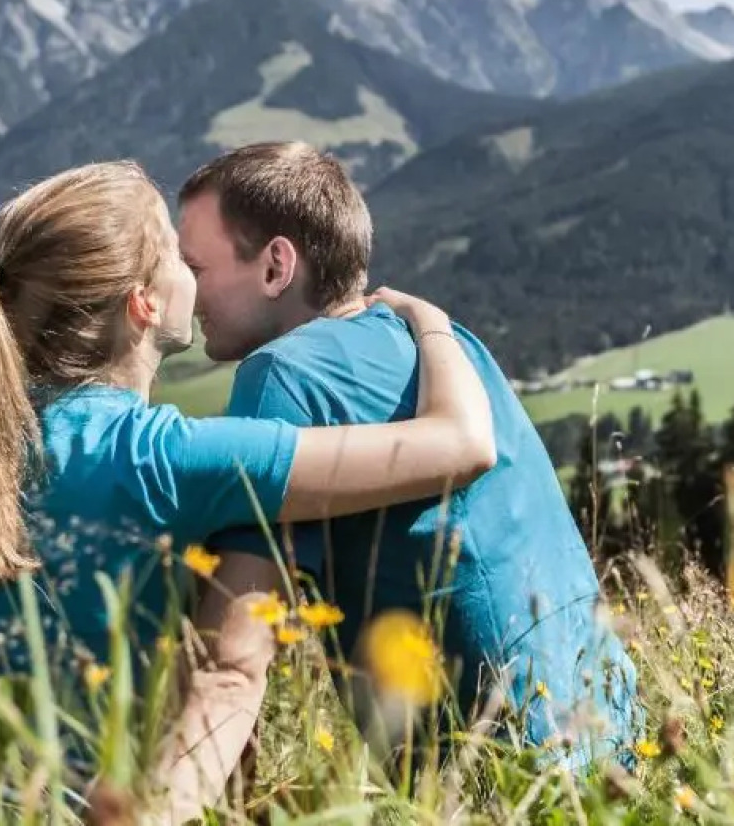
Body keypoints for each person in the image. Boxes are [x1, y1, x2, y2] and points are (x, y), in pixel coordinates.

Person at [0, 160, 497, 805]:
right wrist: (430, 323)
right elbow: (462, 443)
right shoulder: (161, 459)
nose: (190, 265)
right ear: (145, 302)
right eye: (174, 252)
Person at [171, 142, 639, 794]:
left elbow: (235, 655)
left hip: (490, 785)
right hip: (615, 742)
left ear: (277, 265)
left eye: (194, 264)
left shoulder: (283, 375)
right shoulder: (446, 343)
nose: (183, 289)